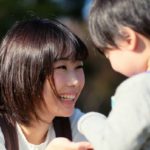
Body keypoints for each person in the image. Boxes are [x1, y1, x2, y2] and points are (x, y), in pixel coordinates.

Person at [0, 17, 92, 150]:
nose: (75, 82)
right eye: (62, 67)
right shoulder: (4, 131)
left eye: (78, 67)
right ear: (28, 72)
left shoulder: (75, 124)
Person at [77, 0, 150, 150]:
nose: (111, 62)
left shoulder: (139, 87)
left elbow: (111, 145)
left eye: (108, 54)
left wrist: (87, 120)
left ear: (128, 39)